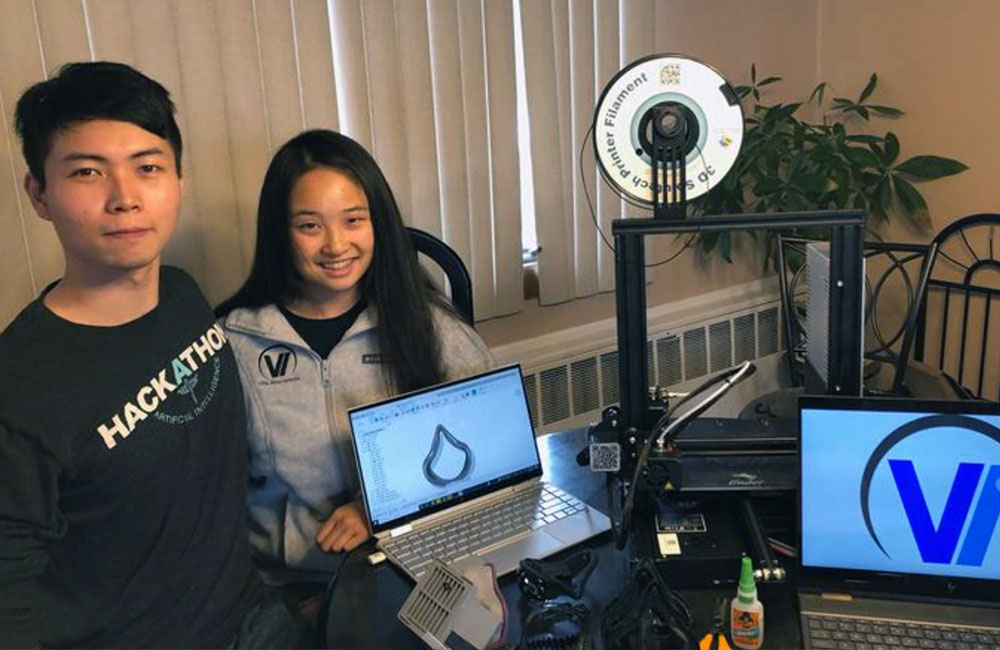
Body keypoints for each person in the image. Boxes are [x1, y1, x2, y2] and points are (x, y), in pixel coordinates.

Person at [0, 62, 300, 647]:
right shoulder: (19, 387)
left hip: (256, 617)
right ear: (39, 193)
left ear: (179, 178)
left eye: (148, 167)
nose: (125, 199)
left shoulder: (184, 295)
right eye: (87, 172)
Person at [216, 129, 493, 581]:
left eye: (353, 220)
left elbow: (490, 449)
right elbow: (213, 487)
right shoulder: (235, 341)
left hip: (414, 568)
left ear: (377, 224)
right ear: (280, 233)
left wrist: (380, 508)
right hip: (292, 584)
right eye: (309, 225)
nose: (335, 245)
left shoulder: (427, 323)